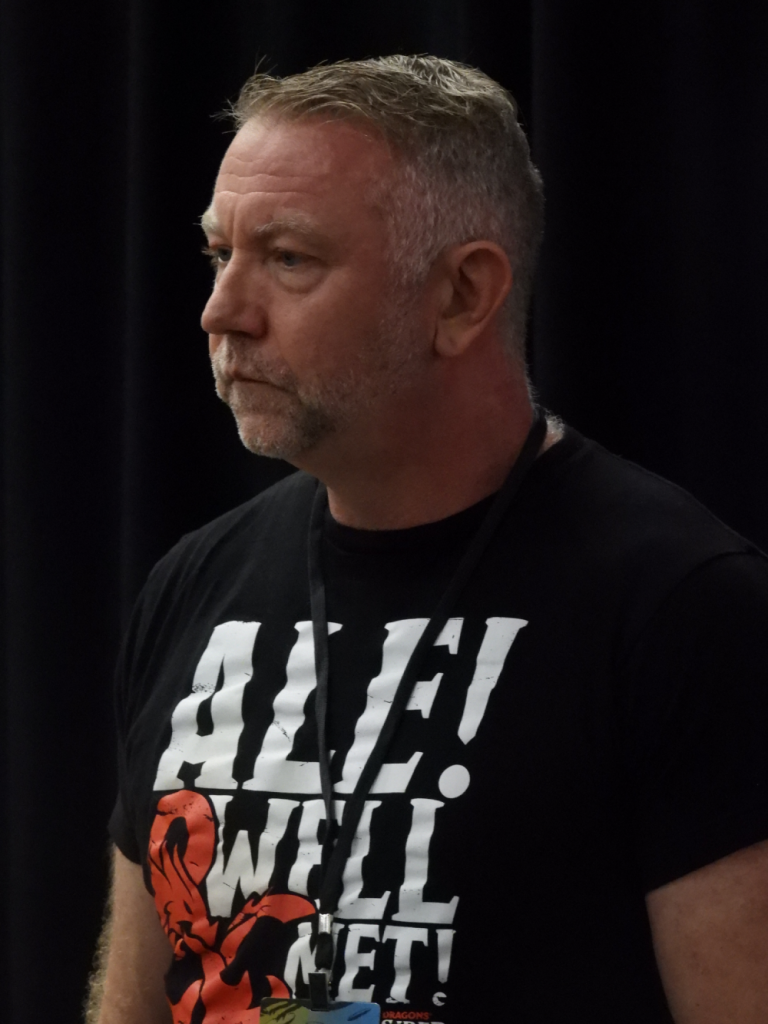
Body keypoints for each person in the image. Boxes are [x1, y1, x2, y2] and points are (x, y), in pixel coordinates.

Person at [87, 55, 768, 1024]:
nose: (223, 313)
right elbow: (134, 1001)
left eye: (288, 258)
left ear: (461, 296)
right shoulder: (196, 581)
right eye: (218, 254)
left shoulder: (685, 606)